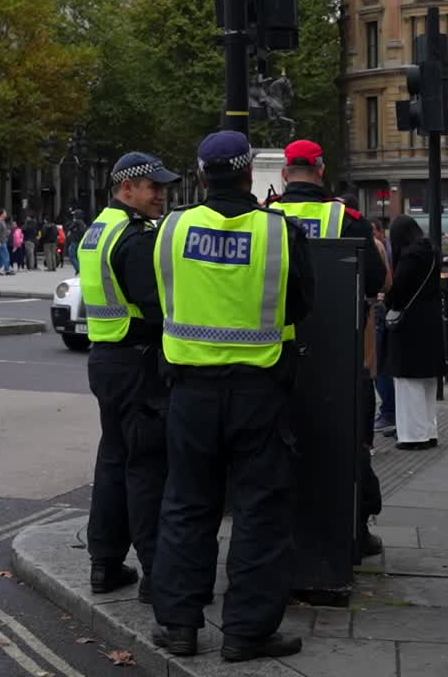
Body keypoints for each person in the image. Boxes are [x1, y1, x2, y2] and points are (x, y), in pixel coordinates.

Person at [150, 130, 313, 663]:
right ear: (250, 175)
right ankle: (246, 631)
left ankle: (179, 625)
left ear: (200, 175)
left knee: (186, 506)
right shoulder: (278, 231)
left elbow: (160, 300)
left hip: (189, 393)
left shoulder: (171, 228)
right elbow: (300, 305)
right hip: (257, 391)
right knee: (259, 512)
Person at [274, 139, 390, 558]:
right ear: (321, 170)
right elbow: (376, 281)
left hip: (279, 355)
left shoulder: (268, 218)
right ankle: (353, 533)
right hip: (342, 358)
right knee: (349, 447)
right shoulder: (348, 219)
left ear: (286, 174)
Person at [81, 152, 177, 605]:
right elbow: (157, 304)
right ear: (126, 189)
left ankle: (104, 562)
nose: (161, 194)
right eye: (152, 187)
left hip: (106, 358)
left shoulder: (98, 228)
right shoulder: (135, 238)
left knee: (114, 460)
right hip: (137, 362)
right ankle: (157, 573)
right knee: (146, 468)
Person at [383, 215, 445, 451]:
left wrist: (387, 299)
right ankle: (430, 431)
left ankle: (413, 436)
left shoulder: (409, 256)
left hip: (410, 325)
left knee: (408, 381)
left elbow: (397, 290)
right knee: (427, 380)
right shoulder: (431, 252)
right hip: (430, 321)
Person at [371, 216, 397, 434]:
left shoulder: (377, 246)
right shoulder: (383, 245)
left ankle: (388, 413)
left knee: (377, 366)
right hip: (380, 308)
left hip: (375, 308)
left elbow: (387, 283)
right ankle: (390, 412)